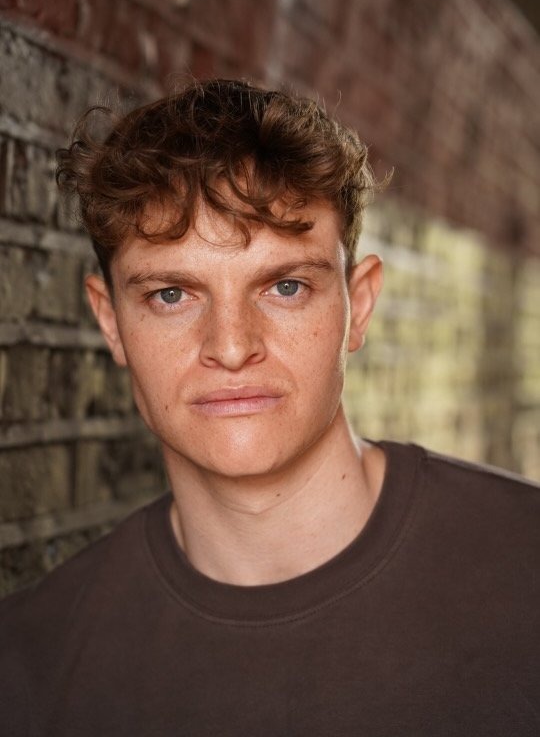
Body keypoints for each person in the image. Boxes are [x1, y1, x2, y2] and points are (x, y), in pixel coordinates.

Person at [0, 79, 538, 736]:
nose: (231, 348)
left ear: (359, 306)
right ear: (110, 322)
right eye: (171, 295)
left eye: (285, 286)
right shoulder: (27, 668)